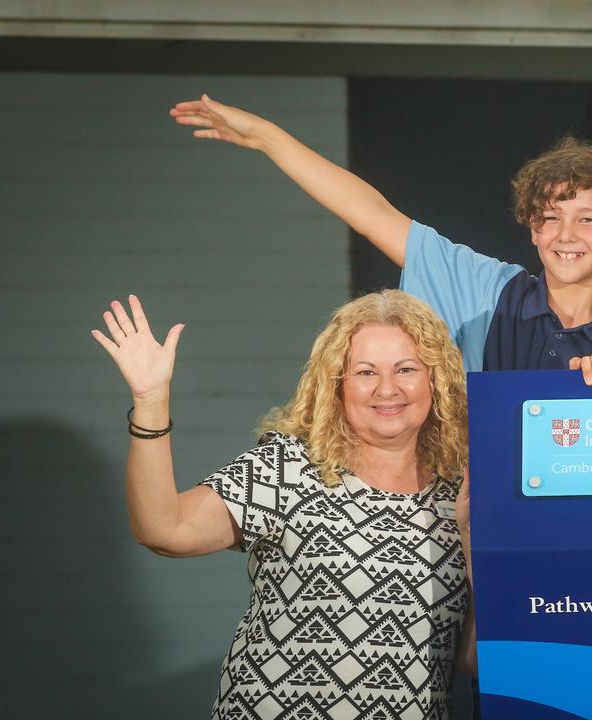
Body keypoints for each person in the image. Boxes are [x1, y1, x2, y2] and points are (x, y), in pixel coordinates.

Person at [91, 290, 476, 719]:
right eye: (366, 372)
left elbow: (471, 661)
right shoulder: (288, 468)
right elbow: (164, 530)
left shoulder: (459, 497)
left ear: (436, 380)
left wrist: (474, 544)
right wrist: (150, 401)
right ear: (337, 386)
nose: (387, 388)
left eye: (406, 369)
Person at [170, 97, 592, 386]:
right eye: (550, 217)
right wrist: (267, 138)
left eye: (587, 220)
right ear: (532, 227)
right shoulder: (486, 289)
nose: (565, 236)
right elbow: (372, 213)